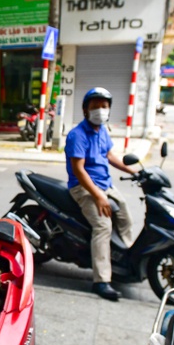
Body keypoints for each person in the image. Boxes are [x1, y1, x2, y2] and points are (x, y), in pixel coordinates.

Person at [65, 87, 138, 302]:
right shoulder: (77, 135)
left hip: (105, 184)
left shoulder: (102, 131)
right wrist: (97, 195)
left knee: (125, 217)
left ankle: (124, 260)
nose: (100, 110)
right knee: (103, 227)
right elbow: (79, 169)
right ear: (85, 109)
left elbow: (109, 155)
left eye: (104, 107)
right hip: (84, 188)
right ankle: (101, 280)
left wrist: (132, 171)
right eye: (95, 106)